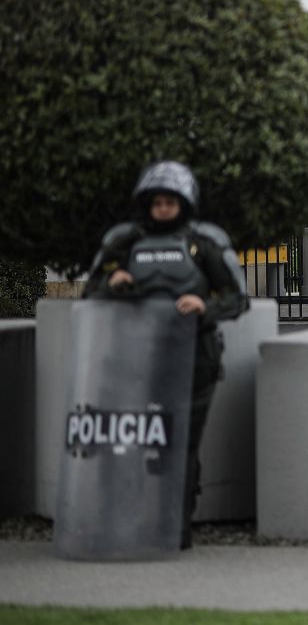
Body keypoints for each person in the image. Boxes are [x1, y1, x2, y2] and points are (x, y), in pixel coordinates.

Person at [84, 161, 249, 549]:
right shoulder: (125, 242)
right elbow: (90, 292)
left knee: (182, 444)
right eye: (156, 201)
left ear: (184, 202)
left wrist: (204, 305)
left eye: (169, 201)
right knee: (136, 443)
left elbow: (236, 298)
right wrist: (113, 282)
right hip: (135, 361)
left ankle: (176, 525)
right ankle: (130, 520)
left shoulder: (203, 242)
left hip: (195, 361)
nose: (162, 208)